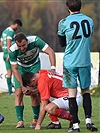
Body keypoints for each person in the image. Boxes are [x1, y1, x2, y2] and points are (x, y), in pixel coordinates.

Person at [57, 0, 98, 132]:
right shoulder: (89, 20)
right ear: (81, 6)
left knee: (72, 94)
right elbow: (88, 36)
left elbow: (62, 43)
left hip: (70, 62)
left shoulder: (63, 22)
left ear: (67, 7)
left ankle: (75, 125)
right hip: (85, 60)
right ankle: (89, 121)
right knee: (86, 91)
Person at [9, 32, 56, 128]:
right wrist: (22, 86)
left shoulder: (35, 40)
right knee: (18, 93)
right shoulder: (12, 50)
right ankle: (20, 121)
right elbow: (15, 69)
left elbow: (50, 52)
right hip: (21, 69)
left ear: (27, 41)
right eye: (19, 46)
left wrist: (53, 67)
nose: (22, 48)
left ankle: (35, 120)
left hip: (34, 66)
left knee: (34, 93)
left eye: (24, 45)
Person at [0, 19, 22, 95]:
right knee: (15, 70)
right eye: (18, 27)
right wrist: (9, 53)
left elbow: (1, 43)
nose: (17, 29)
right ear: (16, 25)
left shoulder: (4, 31)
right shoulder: (11, 32)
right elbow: (9, 41)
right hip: (10, 54)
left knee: (9, 72)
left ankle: (9, 91)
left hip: (4, 53)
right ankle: (15, 89)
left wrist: (5, 51)